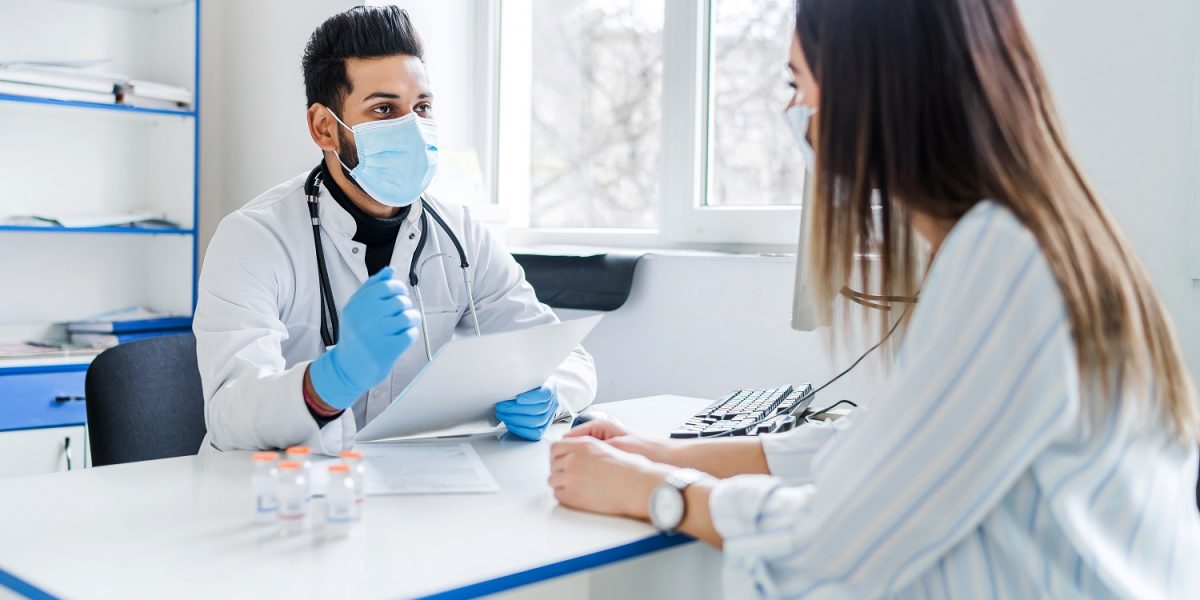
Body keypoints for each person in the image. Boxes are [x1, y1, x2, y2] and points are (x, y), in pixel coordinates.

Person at [549, 0, 1200, 597]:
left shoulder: (1002, 263)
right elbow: (893, 447)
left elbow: (838, 541)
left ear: (874, 90)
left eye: (796, 84)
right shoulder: (1029, 241)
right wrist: (668, 455)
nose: (794, 113)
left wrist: (657, 491)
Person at [194, 6, 596, 454]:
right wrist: (332, 379)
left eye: (421, 107)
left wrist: (552, 393)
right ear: (325, 128)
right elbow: (229, 415)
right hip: (274, 493)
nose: (412, 128)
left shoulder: (461, 234)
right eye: (384, 109)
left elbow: (565, 356)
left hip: (410, 488)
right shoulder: (254, 239)